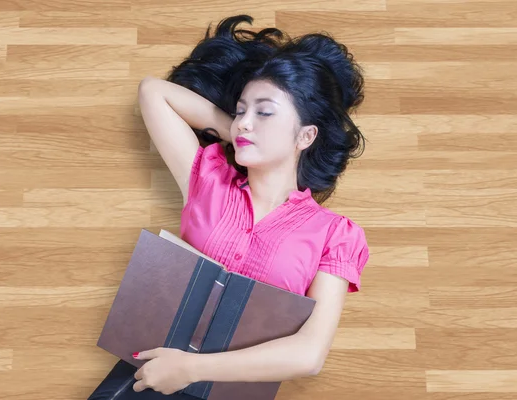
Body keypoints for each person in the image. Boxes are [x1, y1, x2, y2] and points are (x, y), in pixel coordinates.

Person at [88, 14, 370, 399]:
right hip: (145, 378)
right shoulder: (209, 180)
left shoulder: (335, 234)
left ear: (307, 134)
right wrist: (241, 133)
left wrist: (190, 369)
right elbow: (154, 92)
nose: (245, 122)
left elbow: (310, 353)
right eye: (240, 110)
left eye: (264, 112)